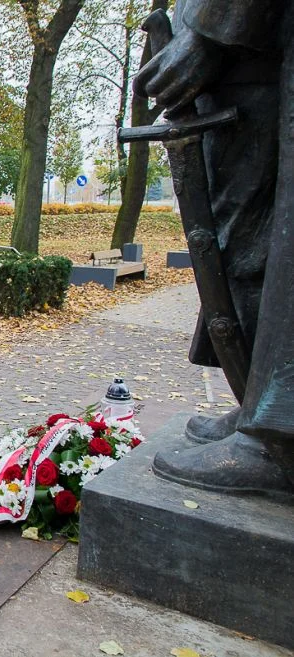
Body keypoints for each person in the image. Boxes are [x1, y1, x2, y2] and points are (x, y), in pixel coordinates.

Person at [135, 0, 294, 495]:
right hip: (251, 56)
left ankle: (276, 436)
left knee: (266, 235)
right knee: (250, 239)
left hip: (251, 36)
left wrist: (211, 32)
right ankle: (261, 415)